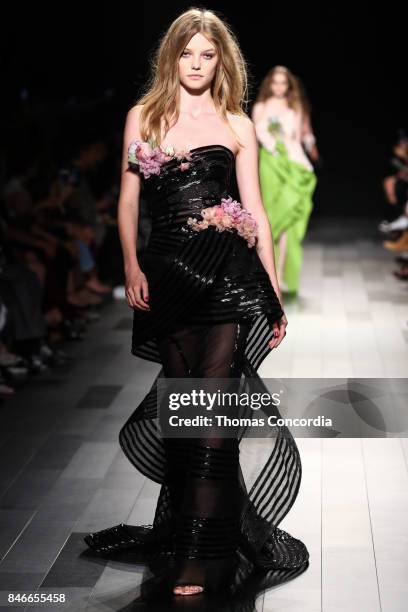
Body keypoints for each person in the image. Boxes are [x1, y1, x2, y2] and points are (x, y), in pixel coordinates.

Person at [83, 8, 309, 607]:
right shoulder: (145, 116)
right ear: (172, 56)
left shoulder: (238, 122)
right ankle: (201, 532)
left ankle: (201, 557)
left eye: (208, 55)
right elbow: (127, 201)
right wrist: (129, 264)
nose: (197, 64)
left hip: (228, 276)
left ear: (221, 60)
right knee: (185, 421)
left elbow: (255, 210)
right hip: (167, 272)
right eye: (188, 54)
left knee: (211, 421)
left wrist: (271, 286)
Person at [252, 66, 319, 295]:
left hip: (293, 163)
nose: (279, 86)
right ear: (269, 84)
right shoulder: (260, 107)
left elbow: (301, 134)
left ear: (289, 86)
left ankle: (281, 275)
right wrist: (272, 146)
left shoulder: (295, 106)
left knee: (289, 218)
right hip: (270, 164)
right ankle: (268, 275)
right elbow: (256, 135)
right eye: (275, 82)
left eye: (283, 82)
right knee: (272, 215)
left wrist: (310, 144)